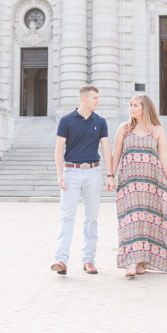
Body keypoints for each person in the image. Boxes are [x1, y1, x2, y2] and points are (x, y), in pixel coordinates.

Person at [108, 94, 167, 278]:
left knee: (148, 220)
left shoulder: (157, 130)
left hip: (152, 184)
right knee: (131, 220)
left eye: (135, 105)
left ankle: (142, 260)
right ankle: (132, 261)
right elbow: (116, 154)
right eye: (131, 105)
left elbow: (163, 157)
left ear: (145, 108)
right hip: (129, 184)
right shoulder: (124, 128)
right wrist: (111, 176)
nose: (131, 108)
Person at [51, 85, 113, 276]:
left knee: (91, 218)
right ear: (84, 99)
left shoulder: (100, 121)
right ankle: (61, 259)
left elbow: (106, 149)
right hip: (71, 172)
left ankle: (89, 260)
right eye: (95, 98)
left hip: (93, 172)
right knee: (67, 216)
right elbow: (59, 148)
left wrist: (110, 175)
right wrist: (59, 174)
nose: (98, 101)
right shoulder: (66, 121)